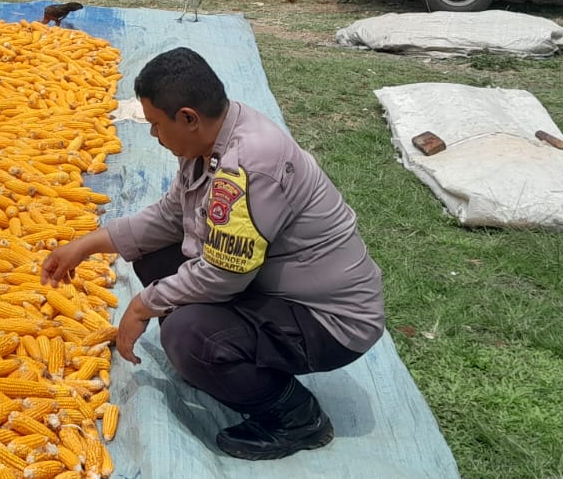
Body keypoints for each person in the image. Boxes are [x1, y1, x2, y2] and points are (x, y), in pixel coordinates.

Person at [42, 47, 386, 461]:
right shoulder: (211, 140)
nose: (153, 136)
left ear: (188, 118)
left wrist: (142, 305)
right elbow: (170, 217)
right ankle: (219, 361)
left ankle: (296, 417)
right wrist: (84, 245)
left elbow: (225, 274)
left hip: (329, 317)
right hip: (273, 281)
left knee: (186, 334)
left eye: (155, 125)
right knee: (155, 258)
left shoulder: (247, 165)